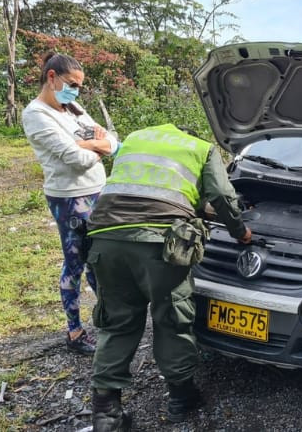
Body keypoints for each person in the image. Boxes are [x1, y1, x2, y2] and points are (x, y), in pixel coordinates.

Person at [85, 123, 252, 431]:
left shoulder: (135, 138)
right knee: (172, 317)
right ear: (190, 134)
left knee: (117, 321)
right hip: (161, 244)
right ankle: (181, 397)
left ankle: (106, 414)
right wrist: (241, 232)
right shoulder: (201, 148)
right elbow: (221, 197)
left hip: (105, 238)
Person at [21, 52, 119, 356]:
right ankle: (75, 331)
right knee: (74, 263)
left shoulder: (72, 109)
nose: (75, 91)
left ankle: (104, 318)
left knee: (99, 260)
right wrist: (95, 145)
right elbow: (76, 161)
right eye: (71, 84)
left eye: (79, 86)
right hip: (69, 198)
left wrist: (90, 143)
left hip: (97, 193)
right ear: (52, 78)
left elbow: (114, 141)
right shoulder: (36, 114)